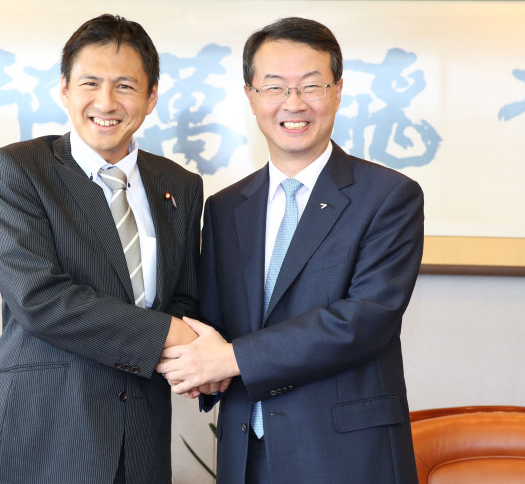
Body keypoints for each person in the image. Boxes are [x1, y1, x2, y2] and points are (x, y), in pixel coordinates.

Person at [157, 17, 423, 484]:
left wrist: (230, 360)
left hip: (347, 455)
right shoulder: (224, 208)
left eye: (312, 86)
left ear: (338, 90)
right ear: (251, 97)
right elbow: (215, 323)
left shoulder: (389, 196)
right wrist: (191, 358)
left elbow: (364, 319)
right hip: (246, 453)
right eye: (274, 87)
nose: (293, 104)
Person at [0, 14, 202, 484]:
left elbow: (184, 299)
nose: (106, 102)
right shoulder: (19, 170)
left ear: (152, 96)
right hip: (44, 431)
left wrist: (202, 353)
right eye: (90, 82)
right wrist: (179, 336)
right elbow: (41, 301)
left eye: (126, 86)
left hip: (140, 438)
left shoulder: (180, 186)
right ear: (65, 91)